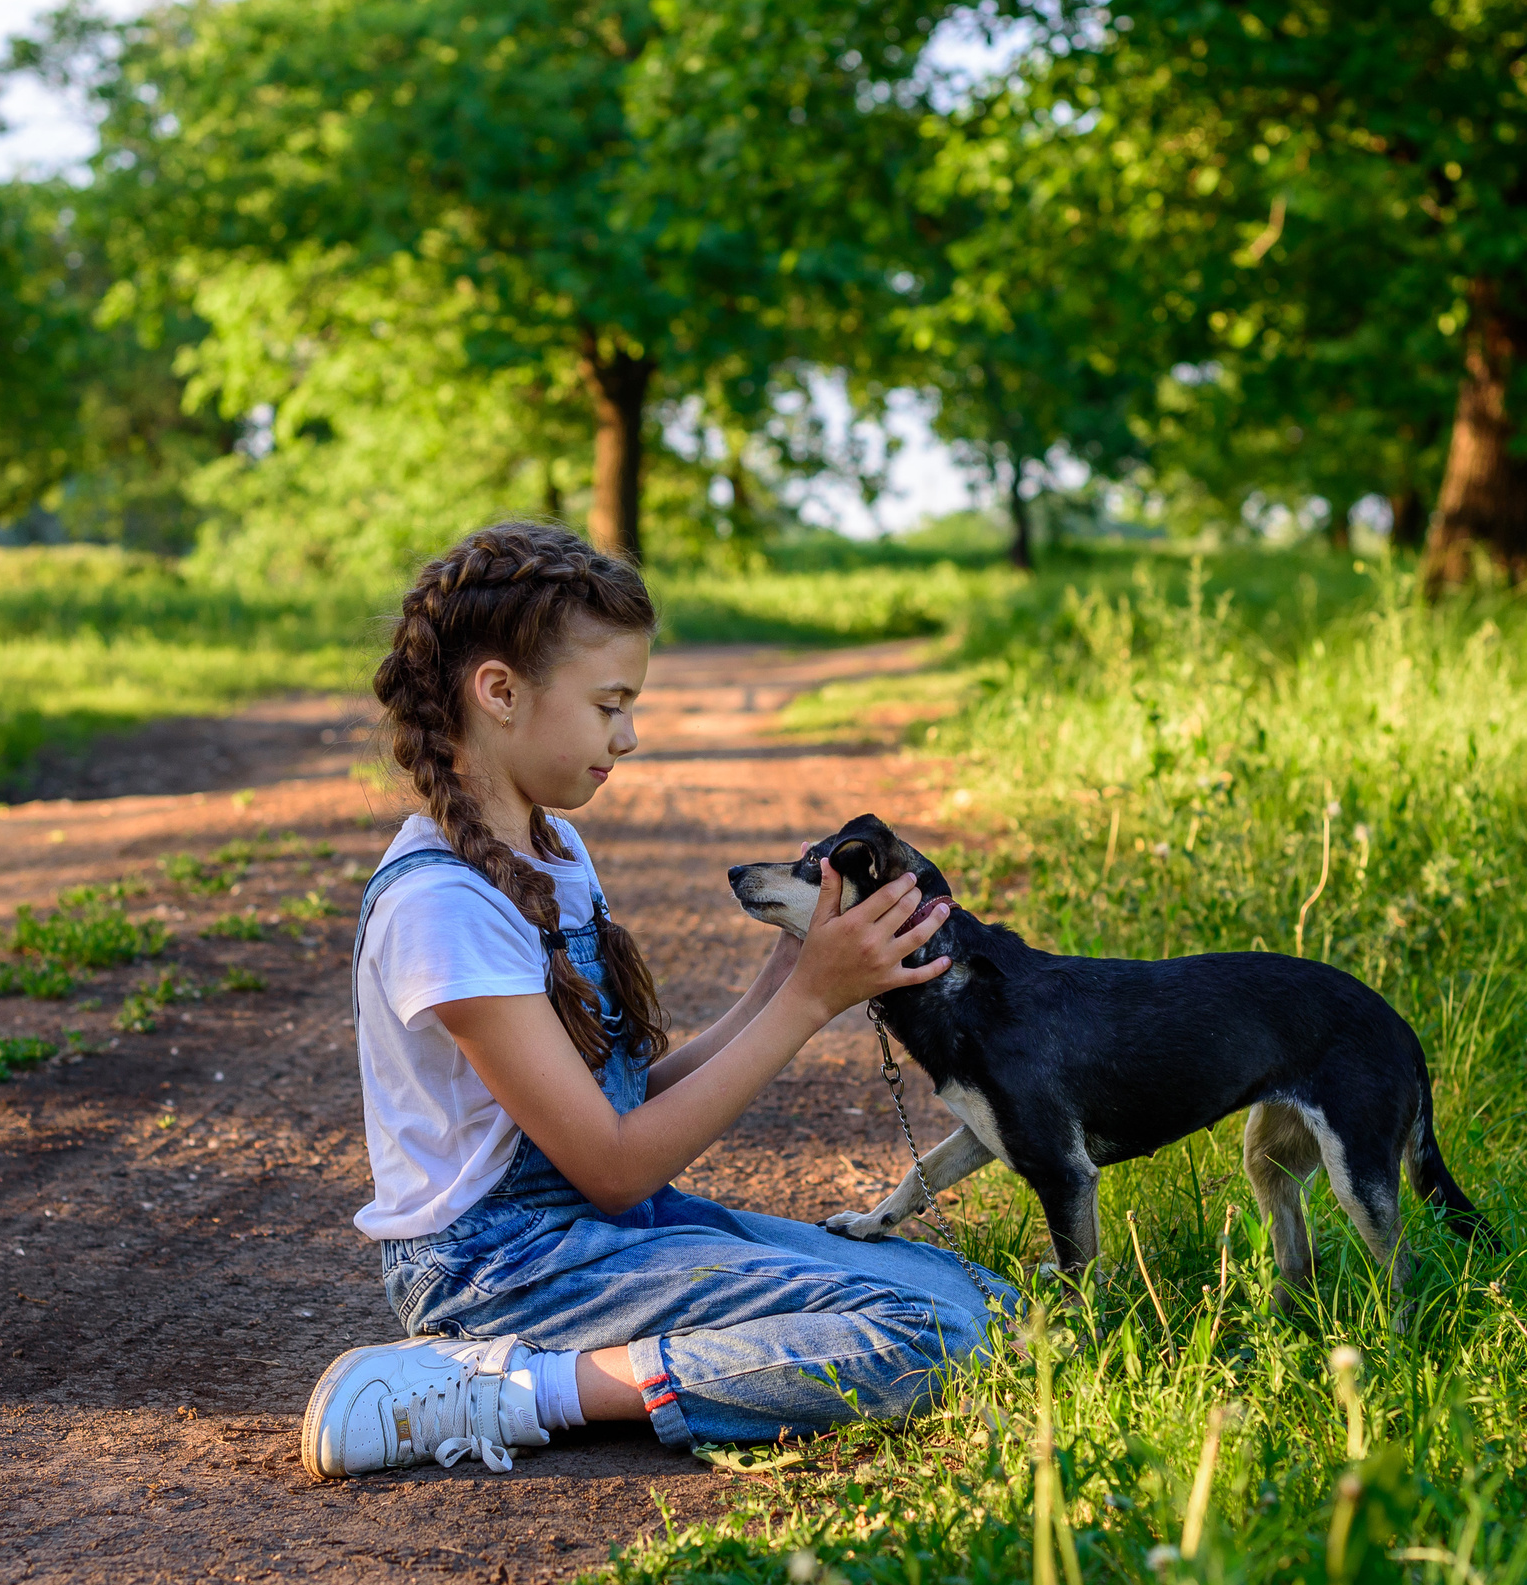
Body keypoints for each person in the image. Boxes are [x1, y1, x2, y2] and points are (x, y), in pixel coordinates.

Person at [302, 520, 1017, 1477]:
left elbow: (623, 1107)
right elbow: (612, 1162)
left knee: (983, 1299)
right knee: (941, 1334)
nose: (628, 736)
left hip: (601, 1237)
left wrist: (790, 973)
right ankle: (507, 1389)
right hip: (507, 1273)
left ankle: (582, 1367)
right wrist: (807, 1001)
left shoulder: (550, 850)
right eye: (609, 705)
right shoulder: (442, 904)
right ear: (500, 693)